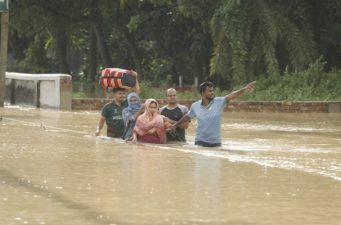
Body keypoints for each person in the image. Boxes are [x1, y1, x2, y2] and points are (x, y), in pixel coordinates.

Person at [170, 81, 256, 147]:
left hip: (215, 142)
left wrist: (245, 88)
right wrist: (176, 125)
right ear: (203, 93)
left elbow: (232, 95)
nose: (212, 93)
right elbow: (187, 117)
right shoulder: (195, 106)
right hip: (200, 142)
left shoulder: (219, 102)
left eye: (213, 90)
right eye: (210, 91)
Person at [95, 72, 140, 138]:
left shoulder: (128, 104)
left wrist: (135, 78)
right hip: (111, 137)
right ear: (114, 94)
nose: (123, 95)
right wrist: (98, 130)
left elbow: (136, 93)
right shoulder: (107, 107)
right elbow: (101, 121)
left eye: (124, 94)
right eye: (120, 93)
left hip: (125, 136)